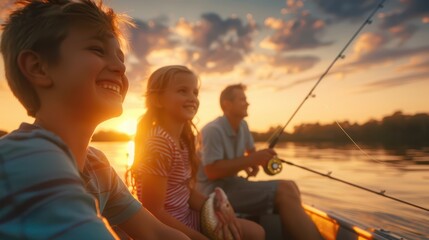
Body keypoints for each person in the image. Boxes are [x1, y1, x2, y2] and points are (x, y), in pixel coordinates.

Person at [0, 1, 188, 239]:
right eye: (97, 50)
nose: (120, 67)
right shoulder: (26, 159)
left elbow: (155, 233)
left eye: (121, 58)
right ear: (38, 68)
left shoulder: (96, 166)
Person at [128, 65, 265, 240]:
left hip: (187, 217)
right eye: (182, 91)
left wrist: (218, 211)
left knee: (256, 232)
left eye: (195, 92)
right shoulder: (159, 144)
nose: (192, 98)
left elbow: (185, 190)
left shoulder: (185, 141)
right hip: (167, 229)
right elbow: (153, 211)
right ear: (157, 100)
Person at [196, 84, 323, 240]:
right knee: (284, 189)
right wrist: (250, 160)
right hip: (213, 193)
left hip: (233, 184)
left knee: (291, 185)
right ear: (226, 104)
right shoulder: (212, 130)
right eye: (242, 99)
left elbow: (251, 153)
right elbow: (212, 171)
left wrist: (258, 161)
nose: (247, 103)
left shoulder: (243, 125)